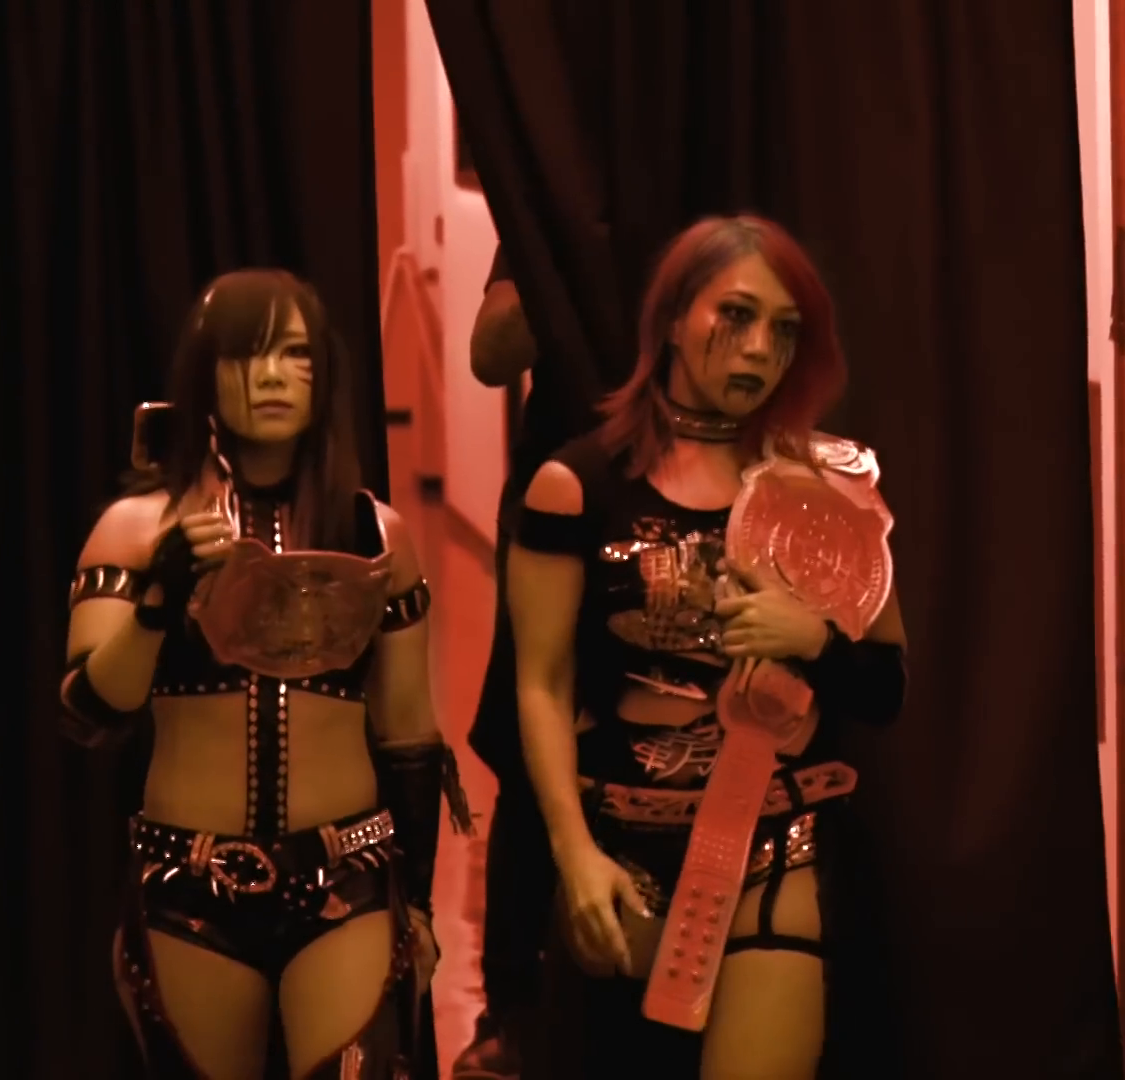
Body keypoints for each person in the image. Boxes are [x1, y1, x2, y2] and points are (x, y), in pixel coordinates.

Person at [507, 217, 909, 1078]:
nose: (759, 348)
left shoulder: (828, 486)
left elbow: (888, 687)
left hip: (780, 846)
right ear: (672, 321)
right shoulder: (575, 485)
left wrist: (816, 641)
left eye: (785, 329)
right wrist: (572, 853)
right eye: (735, 315)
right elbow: (539, 684)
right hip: (621, 851)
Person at [58, 269, 470, 1079]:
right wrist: (158, 599)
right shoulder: (136, 529)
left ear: (325, 375)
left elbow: (410, 736)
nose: (274, 375)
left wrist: (418, 906)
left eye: (295, 353)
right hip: (188, 881)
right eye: (247, 355)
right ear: (204, 375)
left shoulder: (375, 533)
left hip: (348, 877)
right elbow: (88, 715)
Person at [452, 248, 586, 1079]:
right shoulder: (554, 201)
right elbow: (489, 352)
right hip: (560, 481)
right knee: (528, 749)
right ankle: (508, 1011)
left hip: (691, 475)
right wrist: (562, 260)